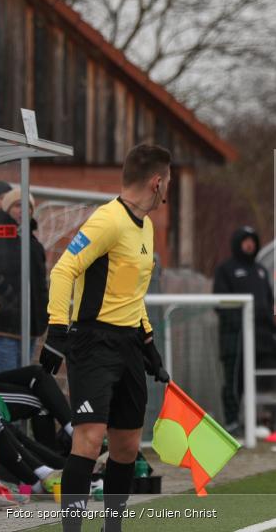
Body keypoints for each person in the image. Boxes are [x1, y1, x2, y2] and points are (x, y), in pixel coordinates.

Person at [41, 144, 171, 532]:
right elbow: (63, 271)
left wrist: (150, 347)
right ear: (157, 181)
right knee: (89, 438)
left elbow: (133, 296)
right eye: (168, 183)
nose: (168, 190)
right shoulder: (106, 220)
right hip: (93, 343)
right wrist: (56, 330)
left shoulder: (145, 227)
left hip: (129, 343)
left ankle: (111, 528)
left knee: (128, 446)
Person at [213, 226, 276, 432]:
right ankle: (232, 421)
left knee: (260, 378)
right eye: (245, 240)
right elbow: (220, 303)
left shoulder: (260, 270)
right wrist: (240, 319)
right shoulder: (226, 270)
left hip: (260, 338)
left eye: (253, 240)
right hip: (235, 336)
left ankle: (259, 419)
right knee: (234, 379)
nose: (249, 244)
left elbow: (268, 302)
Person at [0, 189, 49, 372]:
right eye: (18, 205)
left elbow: (39, 285)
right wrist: (3, 303)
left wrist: (42, 316)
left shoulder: (34, 244)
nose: (24, 211)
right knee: (3, 384)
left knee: (19, 384)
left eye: (28, 207)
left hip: (29, 329)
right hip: (3, 329)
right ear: (7, 208)